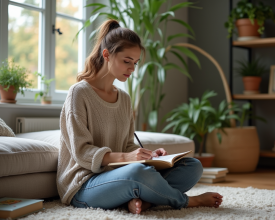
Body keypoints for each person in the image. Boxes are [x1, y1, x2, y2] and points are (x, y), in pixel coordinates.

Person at [56, 19, 223, 214]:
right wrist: (127, 157)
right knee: (137, 173)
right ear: (106, 55)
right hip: (83, 184)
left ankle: (144, 201)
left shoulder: (124, 99)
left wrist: (149, 156)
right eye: (127, 61)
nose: (132, 69)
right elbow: (82, 152)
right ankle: (186, 201)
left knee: (192, 166)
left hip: (119, 176)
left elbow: (127, 145)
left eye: (135, 63)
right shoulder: (79, 93)